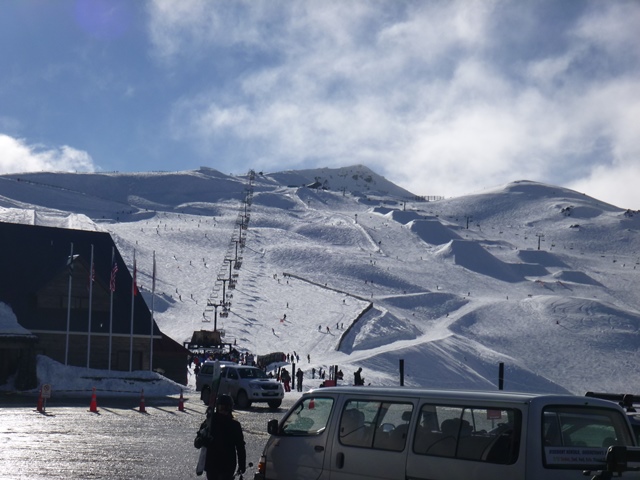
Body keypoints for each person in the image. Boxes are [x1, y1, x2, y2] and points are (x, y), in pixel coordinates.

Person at [196, 394, 246, 480]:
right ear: (217, 407)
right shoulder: (209, 423)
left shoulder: (234, 425)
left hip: (227, 466)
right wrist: (202, 440)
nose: (224, 410)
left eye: (227, 408)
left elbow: (240, 447)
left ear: (230, 409)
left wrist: (242, 465)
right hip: (212, 465)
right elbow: (196, 443)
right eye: (221, 407)